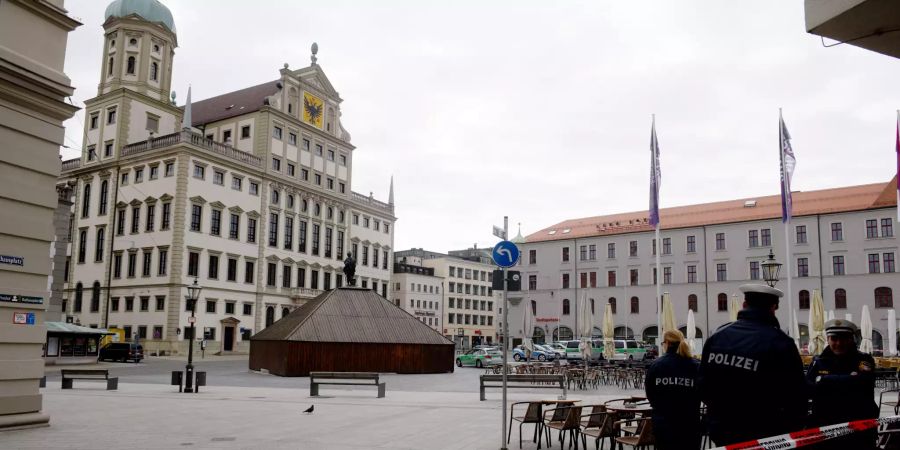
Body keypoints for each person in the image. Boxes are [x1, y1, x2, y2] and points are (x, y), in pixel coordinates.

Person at [698, 284, 807, 446]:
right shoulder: (781, 342)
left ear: (744, 305)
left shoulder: (718, 336)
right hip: (764, 431)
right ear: (774, 307)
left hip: (721, 429)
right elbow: (796, 395)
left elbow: (702, 385)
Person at [806, 319, 878, 450]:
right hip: (825, 427)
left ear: (851, 339)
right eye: (834, 338)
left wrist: (823, 380)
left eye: (844, 338)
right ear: (828, 339)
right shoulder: (818, 362)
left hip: (858, 430)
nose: (839, 343)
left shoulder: (864, 360)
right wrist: (848, 380)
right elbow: (808, 389)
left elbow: (864, 384)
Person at [645, 329, 700, 450]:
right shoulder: (695, 365)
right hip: (689, 424)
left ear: (667, 343)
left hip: (664, 424)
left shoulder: (656, 365)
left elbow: (650, 394)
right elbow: (704, 392)